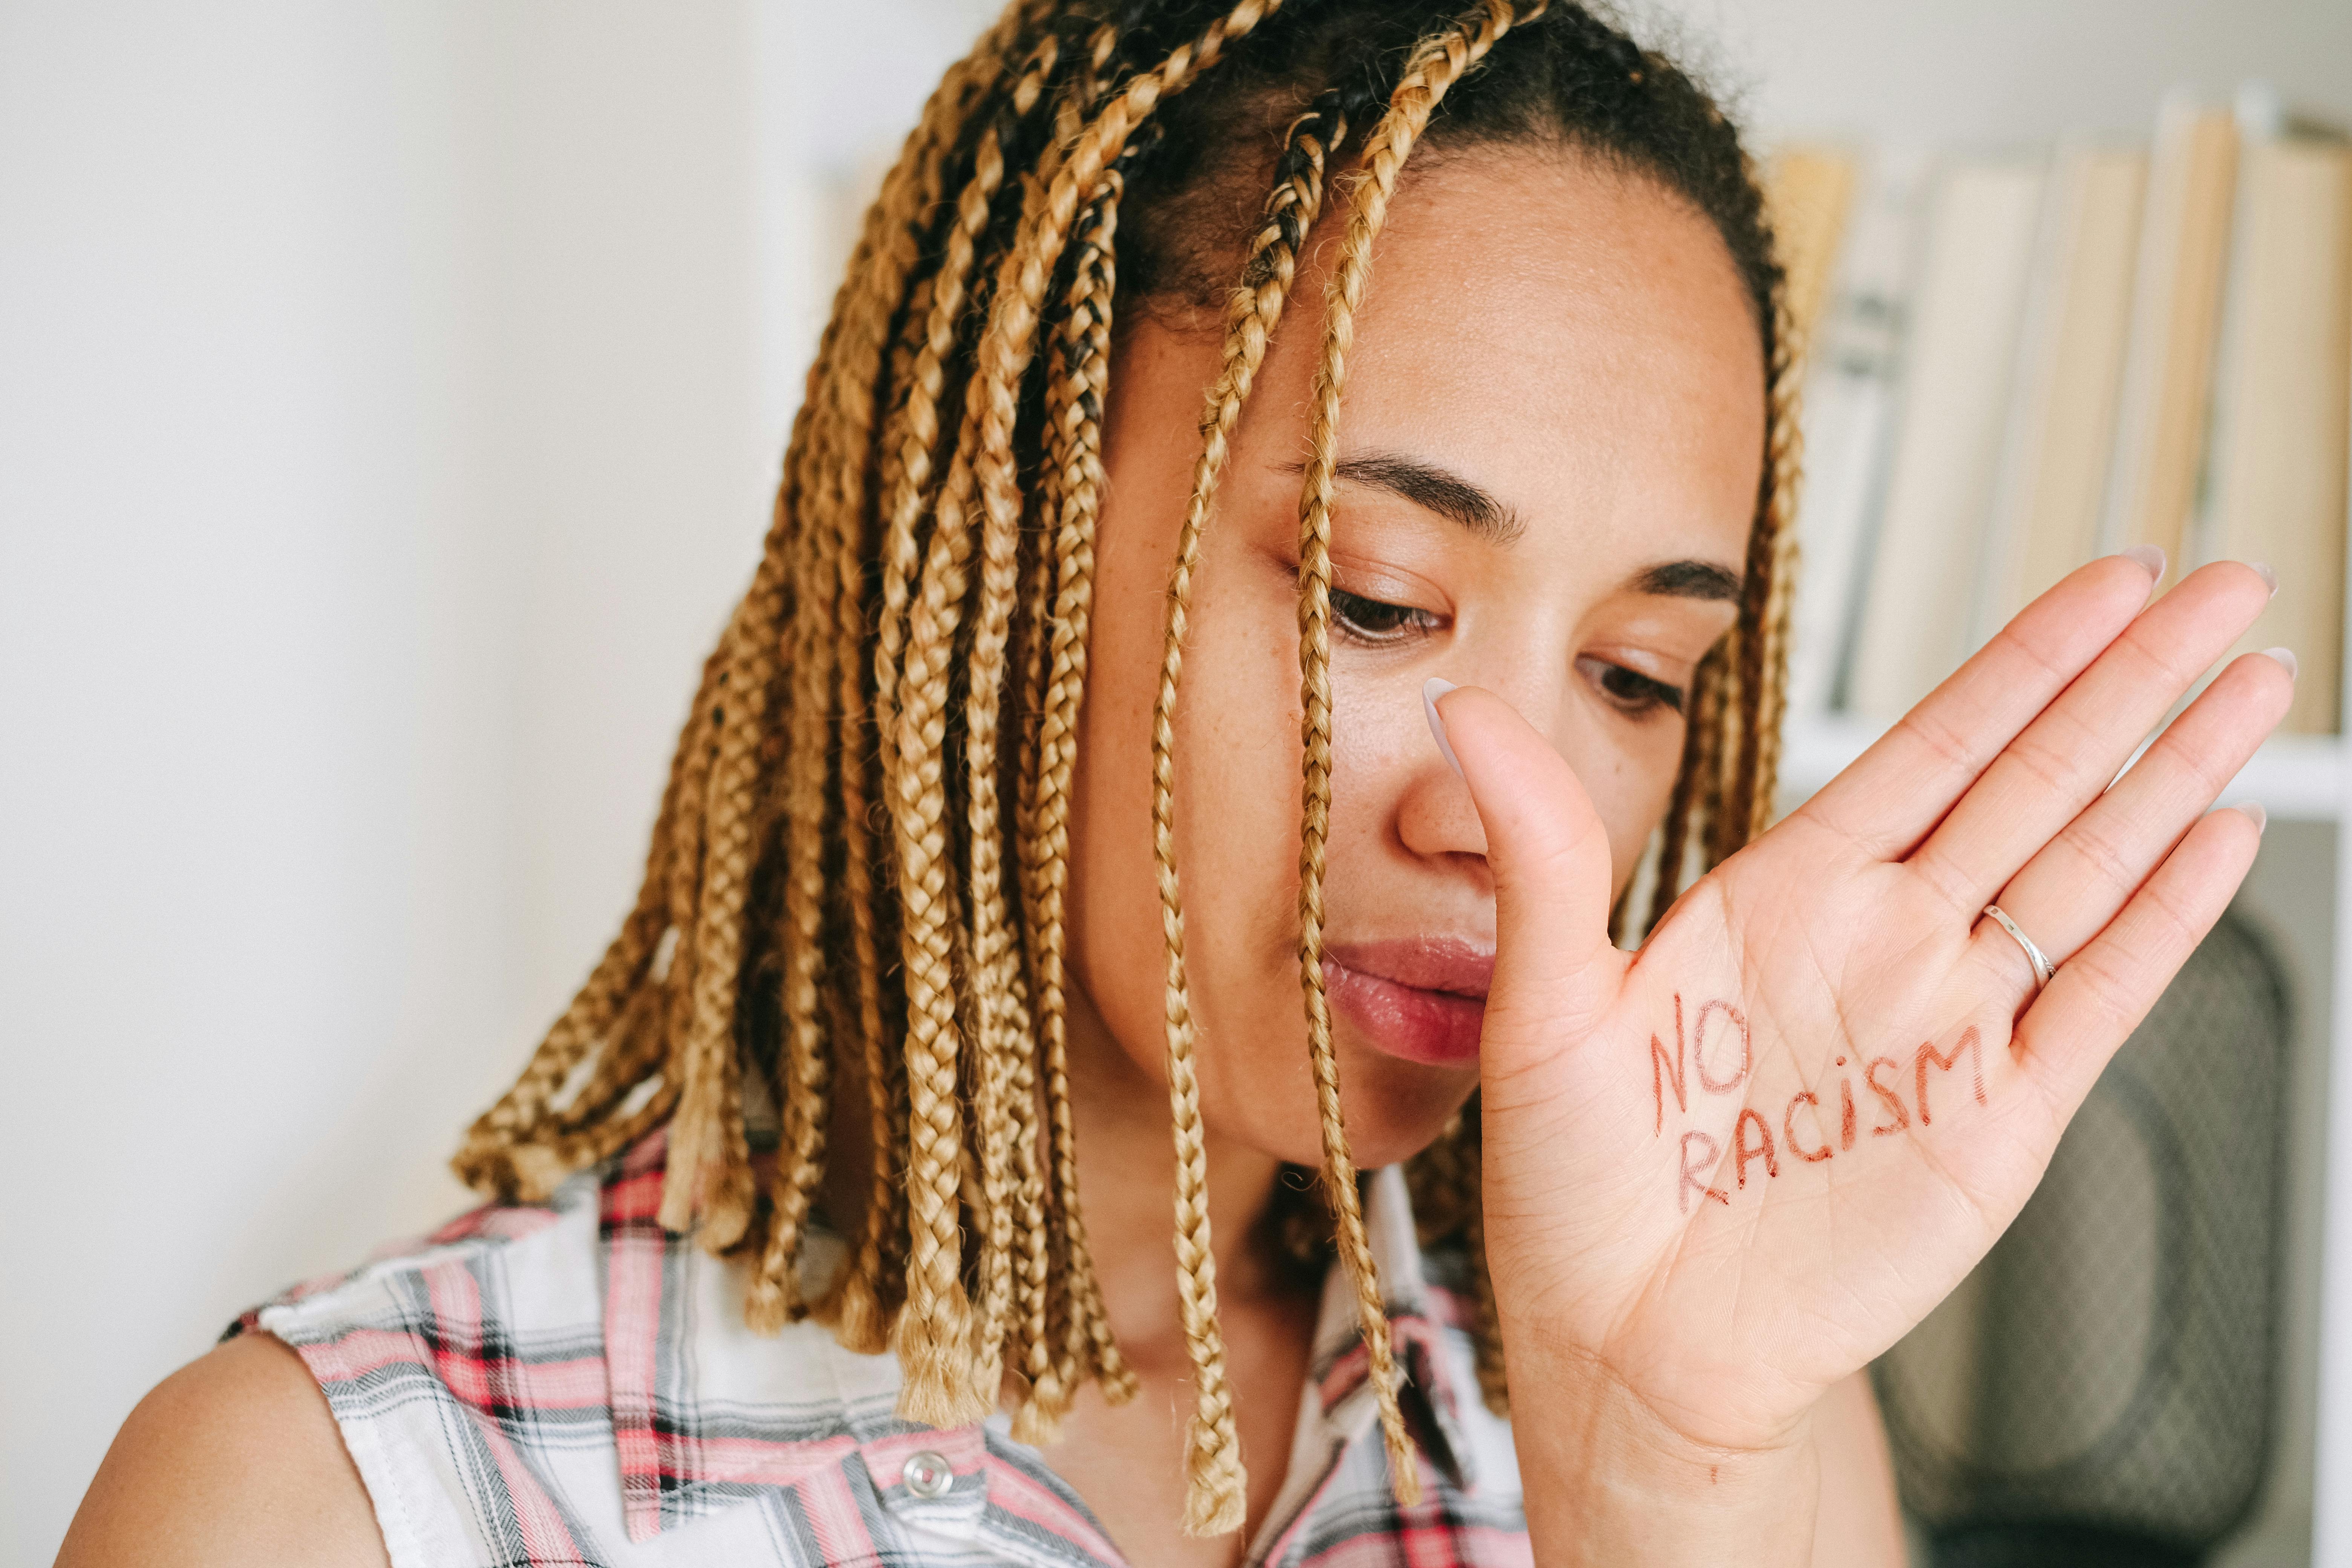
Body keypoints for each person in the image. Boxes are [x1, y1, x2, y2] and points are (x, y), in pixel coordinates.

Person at [57, 0, 2291, 1563]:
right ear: (997, 546)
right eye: (1381, 601)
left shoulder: (1703, 1403)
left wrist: (1679, 1501)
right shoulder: (340, 1506)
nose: (1524, 823)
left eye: (1637, 671)